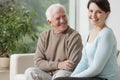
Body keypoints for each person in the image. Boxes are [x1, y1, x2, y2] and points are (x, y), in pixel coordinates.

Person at [54, 0, 120, 80]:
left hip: (106, 78)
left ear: (107, 13)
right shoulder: (90, 33)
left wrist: (72, 78)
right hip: (95, 77)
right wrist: (72, 77)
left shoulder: (106, 34)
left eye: (98, 12)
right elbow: (84, 62)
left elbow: (96, 69)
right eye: (91, 11)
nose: (93, 15)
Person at [24, 3, 83, 80]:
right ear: (50, 22)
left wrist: (49, 67)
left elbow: (71, 65)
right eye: (58, 18)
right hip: (48, 74)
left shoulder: (74, 36)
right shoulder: (44, 36)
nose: (62, 20)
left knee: (61, 75)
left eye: (64, 16)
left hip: (64, 74)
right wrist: (58, 65)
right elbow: (38, 62)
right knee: (30, 72)